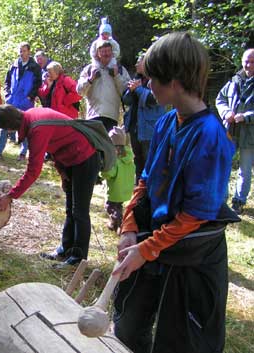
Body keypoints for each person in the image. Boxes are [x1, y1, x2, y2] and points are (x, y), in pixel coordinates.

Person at [112, 32, 237, 353]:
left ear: (177, 81)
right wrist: (129, 228)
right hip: (156, 241)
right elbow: (147, 180)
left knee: (181, 341)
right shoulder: (168, 122)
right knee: (127, 325)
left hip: (192, 252)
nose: (147, 84)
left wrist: (146, 249)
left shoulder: (211, 136)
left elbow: (196, 214)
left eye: (153, 78)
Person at [0, 104, 101, 267]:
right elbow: (56, 144)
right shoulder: (30, 117)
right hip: (70, 159)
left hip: (85, 157)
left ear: (9, 127)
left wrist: (10, 196)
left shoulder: (37, 128)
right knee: (71, 209)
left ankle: (77, 259)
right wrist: (62, 172)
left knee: (80, 211)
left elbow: (33, 171)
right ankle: (65, 250)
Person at [216, 48, 254, 214]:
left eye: (252, 61)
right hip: (230, 131)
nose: (248, 65)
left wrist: (245, 117)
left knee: (244, 170)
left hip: (250, 135)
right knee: (223, 165)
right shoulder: (234, 80)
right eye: (246, 61)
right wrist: (226, 113)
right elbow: (220, 99)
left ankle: (238, 201)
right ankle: (221, 200)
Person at [0, 42, 42, 162]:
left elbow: (38, 84)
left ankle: (23, 153)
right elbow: (7, 81)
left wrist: (30, 97)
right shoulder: (14, 65)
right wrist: (7, 94)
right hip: (12, 100)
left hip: (26, 102)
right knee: (4, 124)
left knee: (25, 126)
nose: (22, 53)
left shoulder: (35, 67)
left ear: (29, 51)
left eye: (24, 51)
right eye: (20, 51)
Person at [123, 54, 166, 183]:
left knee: (150, 160)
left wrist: (138, 89)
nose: (136, 65)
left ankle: (150, 190)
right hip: (135, 127)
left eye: (138, 62)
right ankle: (139, 189)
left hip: (150, 128)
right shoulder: (137, 79)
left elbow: (153, 99)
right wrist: (130, 90)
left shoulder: (158, 79)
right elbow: (126, 101)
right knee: (138, 159)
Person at [77, 39, 130, 132]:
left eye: (108, 51)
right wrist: (90, 79)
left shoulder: (120, 69)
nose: (106, 54)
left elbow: (126, 93)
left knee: (108, 146)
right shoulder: (89, 69)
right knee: (94, 146)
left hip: (111, 116)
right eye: (103, 51)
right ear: (97, 53)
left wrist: (116, 76)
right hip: (93, 116)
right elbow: (79, 91)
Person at [101, 126, 135, 231]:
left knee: (109, 207)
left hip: (114, 191)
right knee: (118, 206)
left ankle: (117, 221)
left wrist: (102, 172)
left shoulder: (115, 160)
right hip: (124, 190)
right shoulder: (129, 159)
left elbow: (109, 173)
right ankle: (118, 222)